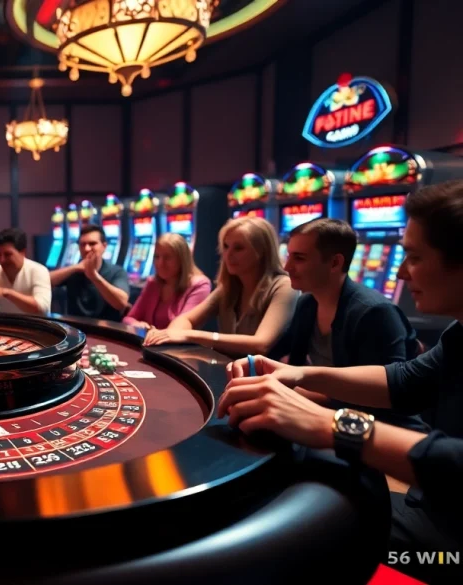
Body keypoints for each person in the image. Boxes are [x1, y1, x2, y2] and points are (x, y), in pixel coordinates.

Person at [220, 181, 463, 585]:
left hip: (451, 547)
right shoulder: (459, 334)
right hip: (433, 505)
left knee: (302, 537)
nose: (400, 272)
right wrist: (298, 374)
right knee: (285, 503)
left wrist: (332, 425)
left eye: (415, 257)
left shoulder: (373, 309)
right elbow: (404, 380)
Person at [271, 218, 425, 431]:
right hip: (329, 416)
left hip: (384, 432)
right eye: (289, 256)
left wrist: (295, 393)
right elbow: (286, 360)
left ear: (335, 263)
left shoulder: (375, 312)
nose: (287, 267)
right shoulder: (307, 303)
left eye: (299, 258)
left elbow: (383, 400)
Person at [144, 216, 298, 356]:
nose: (228, 255)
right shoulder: (229, 288)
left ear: (261, 252)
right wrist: (170, 335)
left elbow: (261, 344)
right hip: (227, 370)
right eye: (225, 246)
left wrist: (190, 335)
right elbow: (186, 319)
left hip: (262, 375)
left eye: (238, 248)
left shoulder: (284, 287)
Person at [123, 232, 211, 330]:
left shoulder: (200, 285)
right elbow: (129, 318)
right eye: (157, 257)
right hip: (150, 339)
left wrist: (154, 333)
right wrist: (138, 325)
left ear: (182, 259)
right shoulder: (153, 283)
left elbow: (182, 329)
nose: (160, 263)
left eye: (167, 257)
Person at [49, 225, 131, 321]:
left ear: (104, 246)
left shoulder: (117, 272)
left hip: (105, 328)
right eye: (82, 244)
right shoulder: (74, 271)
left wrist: (94, 276)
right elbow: (45, 280)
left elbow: (121, 303)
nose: (87, 248)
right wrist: (75, 268)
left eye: (92, 244)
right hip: (75, 327)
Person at [0, 228, 51, 315]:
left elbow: (42, 307)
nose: (1, 260)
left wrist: (5, 292)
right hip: (9, 323)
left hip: (35, 323)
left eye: (7, 254)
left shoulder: (38, 271)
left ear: (23, 252)